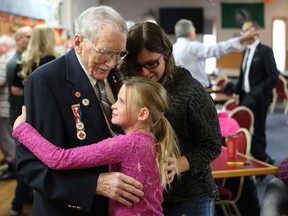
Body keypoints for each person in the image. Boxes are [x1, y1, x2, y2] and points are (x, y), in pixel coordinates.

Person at [15, 6, 145, 216]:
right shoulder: (46, 81)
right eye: (105, 52)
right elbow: (31, 165)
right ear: (78, 42)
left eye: (118, 54)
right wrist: (94, 184)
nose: (112, 63)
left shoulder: (113, 75)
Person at [12, 76, 181, 216]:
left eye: (122, 102)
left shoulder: (127, 144)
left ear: (143, 113)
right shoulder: (153, 141)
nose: (114, 105)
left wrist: (22, 130)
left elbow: (58, 158)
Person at [119, 21, 222, 216]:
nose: (144, 73)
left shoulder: (190, 90)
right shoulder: (124, 86)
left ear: (166, 54)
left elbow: (212, 143)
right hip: (142, 195)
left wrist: (178, 163)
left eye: (152, 64)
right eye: (136, 66)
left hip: (190, 195)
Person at [7, 24, 56, 216]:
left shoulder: (23, 61)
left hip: (22, 116)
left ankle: (17, 204)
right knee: (44, 163)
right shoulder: (51, 61)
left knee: (26, 162)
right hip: (42, 120)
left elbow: (16, 90)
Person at [234, 20, 279, 165]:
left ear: (257, 31)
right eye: (243, 31)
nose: (244, 34)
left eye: (247, 30)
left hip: (260, 97)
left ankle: (262, 163)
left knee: (259, 131)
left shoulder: (265, 51)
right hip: (246, 97)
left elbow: (273, 76)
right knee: (243, 130)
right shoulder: (245, 51)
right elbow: (243, 75)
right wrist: (237, 93)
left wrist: (258, 92)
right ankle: (259, 158)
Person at [173, 19, 258, 88]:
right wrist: (241, 39)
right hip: (196, 90)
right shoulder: (193, 46)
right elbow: (216, 49)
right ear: (190, 32)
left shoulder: (173, 48)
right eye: (194, 30)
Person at [0, 35, 16, 180]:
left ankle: (13, 166)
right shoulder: (16, 55)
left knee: (6, 138)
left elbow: (1, 81)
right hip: (11, 104)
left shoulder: (4, 59)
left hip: (4, 105)